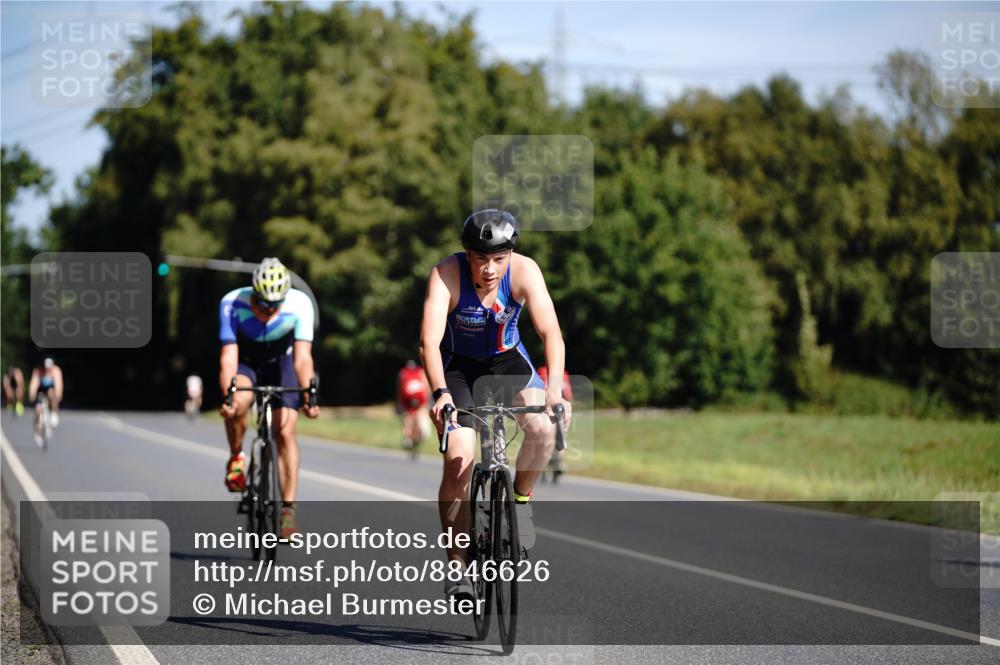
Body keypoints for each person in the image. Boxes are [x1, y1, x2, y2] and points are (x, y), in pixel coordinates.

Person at [420, 209, 571, 601]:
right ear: (467, 253)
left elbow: (550, 331)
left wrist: (554, 390)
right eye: (481, 258)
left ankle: (520, 500)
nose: (490, 269)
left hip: (507, 360)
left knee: (542, 427)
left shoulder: (524, 271)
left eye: (498, 259)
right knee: (459, 457)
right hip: (458, 368)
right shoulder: (446, 274)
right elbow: (429, 343)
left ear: (510, 255)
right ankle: (457, 564)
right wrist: (441, 395)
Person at [218, 258, 319, 538]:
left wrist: (309, 395)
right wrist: (228, 397)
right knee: (237, 403)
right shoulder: (231, 303)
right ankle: (237, 456)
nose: (268, 310)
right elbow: (228, 358)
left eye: (275, 305)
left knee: (286, 432)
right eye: (262, 304)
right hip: (246, 363)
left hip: (281, 364)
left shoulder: (300, 304)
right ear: (253, 293)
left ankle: (287, 512)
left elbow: (302, 358)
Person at [537, 366, 573, 481]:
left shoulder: (541, 371)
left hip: (543, 408)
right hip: (559, 408)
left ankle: (543, 462)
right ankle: (560, 462)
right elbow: (568, 393)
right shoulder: (563, 372)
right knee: (561, 434)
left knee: (542, 434)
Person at [396, 360, 430, 458]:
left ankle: (415, 442)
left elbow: (426, 388)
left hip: (421, 403)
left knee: (421, 425)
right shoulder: (403, 373)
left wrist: (427, 403)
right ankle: (408, 439)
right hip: (408, 403)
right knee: (408, 421)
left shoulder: (420, 372)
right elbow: (400, 389)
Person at [28, 357, 63, 444]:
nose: (47, 370)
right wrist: (32, 395)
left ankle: (54, 413)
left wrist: (58, 395)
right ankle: (37, 432)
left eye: (49, 368)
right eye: (46, 368)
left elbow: (59, 384)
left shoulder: (56, 371)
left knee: (52, 394)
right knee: (38, 410)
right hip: (40, 389)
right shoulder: (38, 371)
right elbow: (33, 384)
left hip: (51, 389)